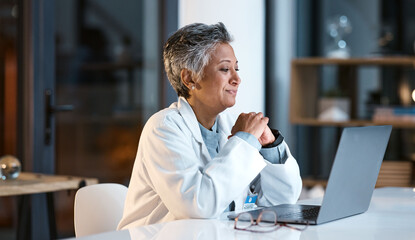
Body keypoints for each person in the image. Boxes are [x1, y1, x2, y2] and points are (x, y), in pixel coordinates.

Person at [118, 22, 302, 230]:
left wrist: (270, 147)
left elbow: (283, 200)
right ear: (189, 79)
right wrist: (244, 141)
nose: (237, 79)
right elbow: (198, 207)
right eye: (225, 69)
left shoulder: (233, 125)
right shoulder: (163, 128)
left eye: (236, 68)